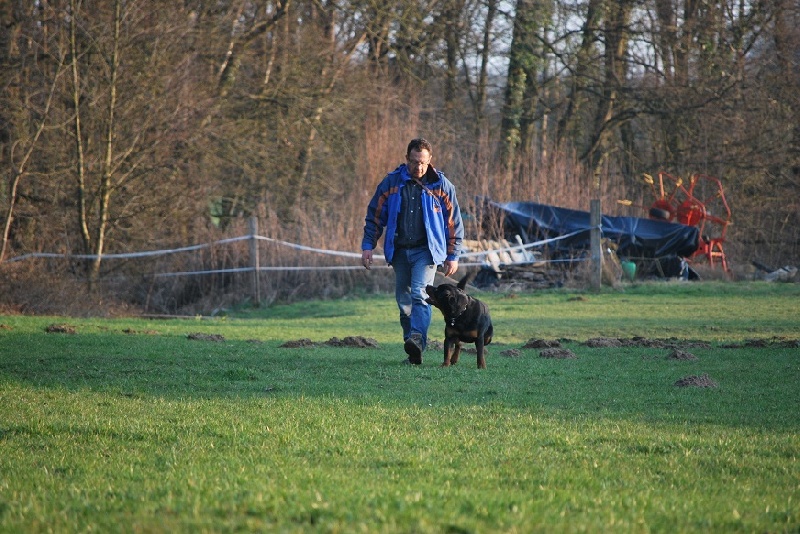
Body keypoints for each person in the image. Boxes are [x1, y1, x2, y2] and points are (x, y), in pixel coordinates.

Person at [361, 138, 464, 365]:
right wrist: (368, 245)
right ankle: (412, 349)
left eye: (423, 163)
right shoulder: (391, 183)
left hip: (426, 252)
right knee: (404, 302)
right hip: (399, 251)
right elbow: (375, 216)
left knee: (419, 294)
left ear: (430, 161)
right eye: (415, 162)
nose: (418, 167)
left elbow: (453, 222)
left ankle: (417, 339)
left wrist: (453, 254)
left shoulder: (441, 185)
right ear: (407, 158)